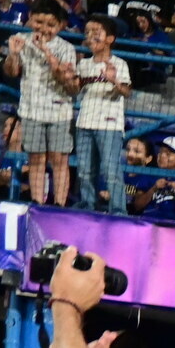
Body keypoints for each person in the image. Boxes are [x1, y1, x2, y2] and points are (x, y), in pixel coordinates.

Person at [5, 0, 79, 207]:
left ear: (59, 26)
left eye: (50, 25)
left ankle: (59, 204)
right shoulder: (20, 39)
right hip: (31, 110)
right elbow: (12, 72)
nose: (44, 29)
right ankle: (37, 201)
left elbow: (66, 83)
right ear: (30, 18)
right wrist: (13, 54)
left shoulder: (66, 48)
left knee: (59, 159)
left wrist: (46, 51)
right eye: (39, 22)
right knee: (36, 159)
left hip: (59, 112)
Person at [71, 17, 131, 215]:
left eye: (97, 31)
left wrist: (114, 81)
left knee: (111, 171)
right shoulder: (84, 65)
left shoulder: (120, 64)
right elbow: (74, 91)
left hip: (110, 125)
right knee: (85, 170)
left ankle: (118, 210)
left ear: (110, 38)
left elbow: (126, 92)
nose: (91, 36)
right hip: (85, 122)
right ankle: (88, 205)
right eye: (88, 32)